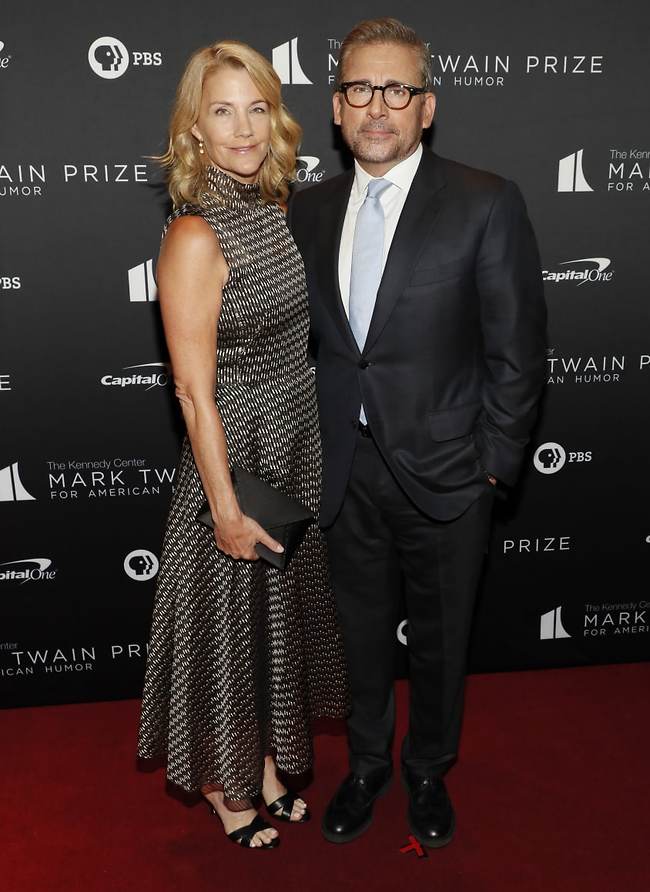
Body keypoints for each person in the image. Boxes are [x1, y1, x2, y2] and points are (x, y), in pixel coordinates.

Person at [288, 18, 547, 848]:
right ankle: (366, 765)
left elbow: (518, 350)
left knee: (441, 643)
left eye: (396, 90)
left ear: (426, 107)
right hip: (345, 470)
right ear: (336, 105)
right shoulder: (309, 208)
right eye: (360, 88)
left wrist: (494, 469)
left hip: (449, 473)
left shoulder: (484, 200)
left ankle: (428, 769)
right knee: (361, 638)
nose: (377, 107)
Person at [137, 40, 348, 850]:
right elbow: (192, 390)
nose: (244, 127)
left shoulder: (275, 209)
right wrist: (222, 507)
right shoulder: (194, 236)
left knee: (274, 622)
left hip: (294, 440)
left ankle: (261, 765)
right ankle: (229, 790)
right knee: (229, 624)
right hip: (236, 456)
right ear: (194, 129)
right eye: (222, 110)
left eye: (257, 107)